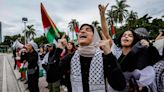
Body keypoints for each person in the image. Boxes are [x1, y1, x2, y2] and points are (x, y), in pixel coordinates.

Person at [99, 4, 158, 92]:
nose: (126, 37)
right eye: (124, 35)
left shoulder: (140, 53)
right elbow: (106, 34)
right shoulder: (115, 51)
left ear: (134, 39)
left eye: (130, 36)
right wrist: (102, 15)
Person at [53, 23, 126, 92]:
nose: (83, 31)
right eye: (81, 30)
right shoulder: (70, 57)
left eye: (88, 30)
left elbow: (119, 86)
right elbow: (52, 77)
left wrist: (109, 54)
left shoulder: (104, 57)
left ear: (93, 37)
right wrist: (58, 50)